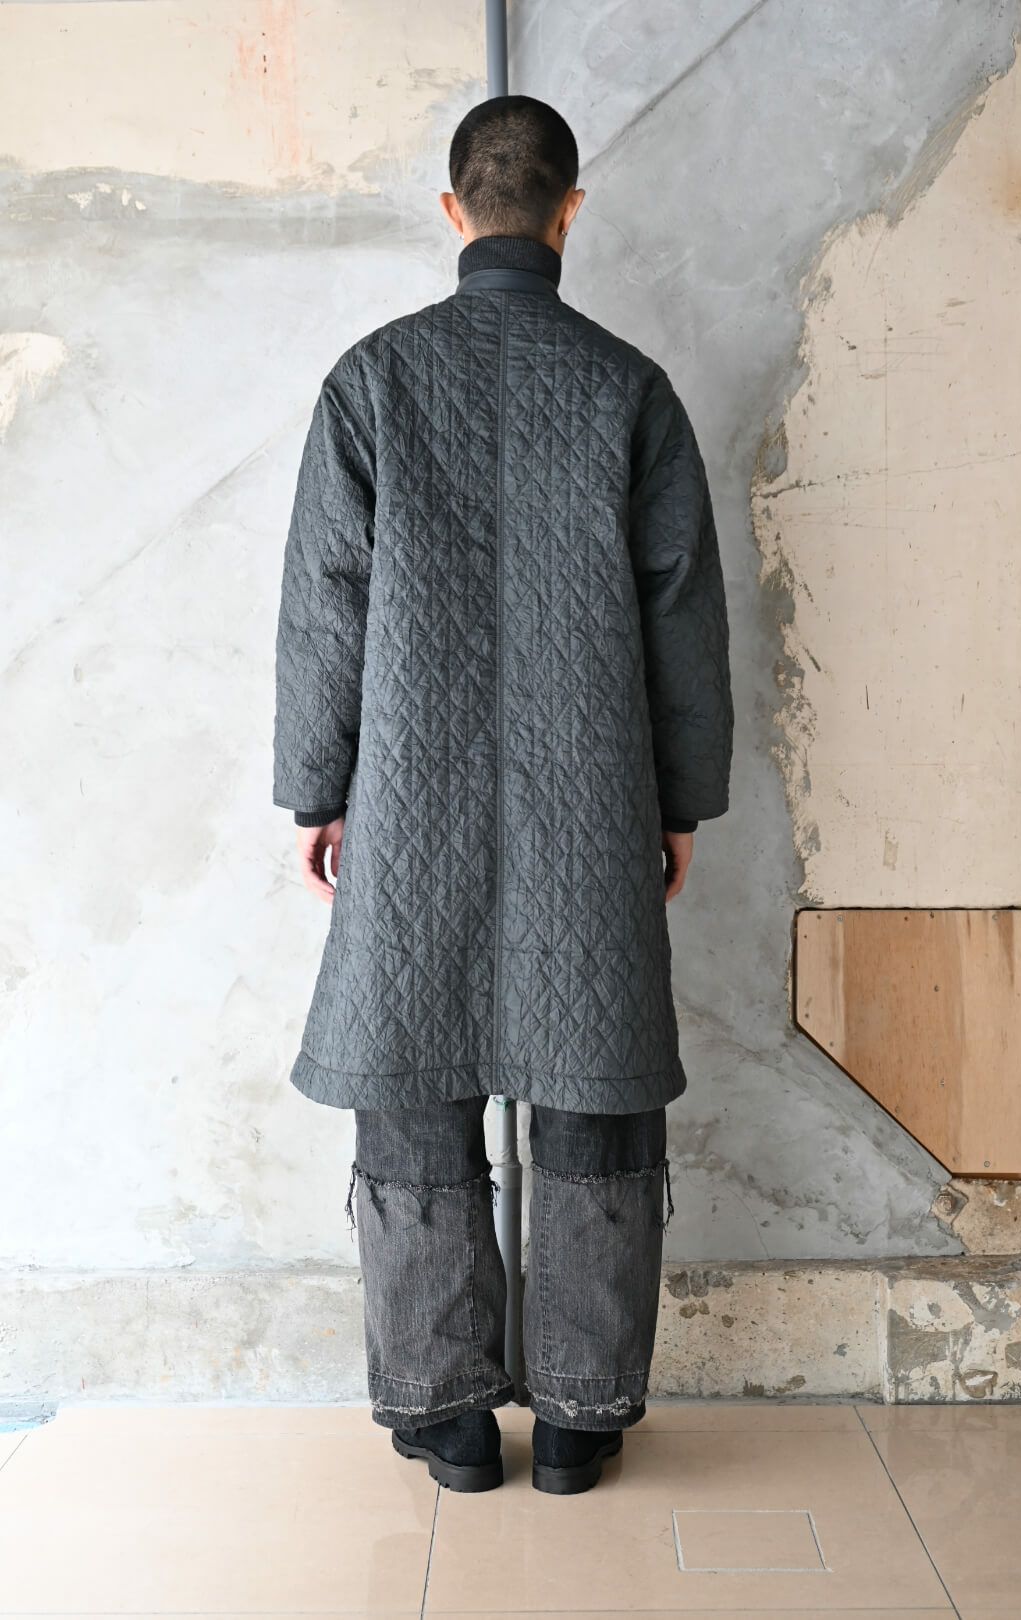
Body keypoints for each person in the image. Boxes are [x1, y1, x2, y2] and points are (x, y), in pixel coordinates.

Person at [272, 95, 733, 1496]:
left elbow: (326, 608)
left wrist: (318, 792)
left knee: (413, 1082)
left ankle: (447, 1419)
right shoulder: (630, 390)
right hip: (592, 794)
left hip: (408, 797)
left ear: (452, 210)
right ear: (570, 212)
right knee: (594, 1085)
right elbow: (681, 615)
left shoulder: (371, 383)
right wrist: (678, 801)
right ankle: (582, 1417)